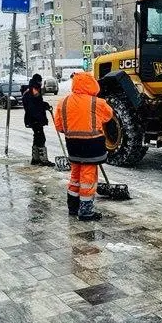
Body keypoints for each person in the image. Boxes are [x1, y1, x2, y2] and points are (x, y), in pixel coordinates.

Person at [52, 72, 113, 221]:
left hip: (73, 145)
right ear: (92, 84)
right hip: (92, 146)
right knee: (87, 178)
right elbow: (108, 116)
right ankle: (86, 211)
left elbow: (59, 126)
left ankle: (73, 207)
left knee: (75, 176)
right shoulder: (97, 103)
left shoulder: (63, 103)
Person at [21, 73, 53, 166]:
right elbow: (32, 107)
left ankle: (35, 159)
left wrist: (45, 105)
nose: (41, 83)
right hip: (34, 118)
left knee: (37, 137)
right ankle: (43, 160)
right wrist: (39, 114)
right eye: (40, 81)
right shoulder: (31, 91)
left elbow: (38, 103)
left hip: (34, 118)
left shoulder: (34, 89)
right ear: (37, 81)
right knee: (41, 138)